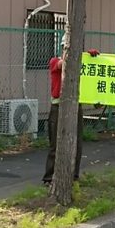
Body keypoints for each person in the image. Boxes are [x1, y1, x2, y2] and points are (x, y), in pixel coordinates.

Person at [43, 39, 99, 185]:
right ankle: (50, 177)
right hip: (58, 107)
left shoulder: (81, 64)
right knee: (55, 144)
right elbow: (64, 64)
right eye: (66, 47)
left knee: (77, 143)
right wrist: (81, 56)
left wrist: (90, 59)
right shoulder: (55, 61)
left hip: (76, 106)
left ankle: (73, 176)